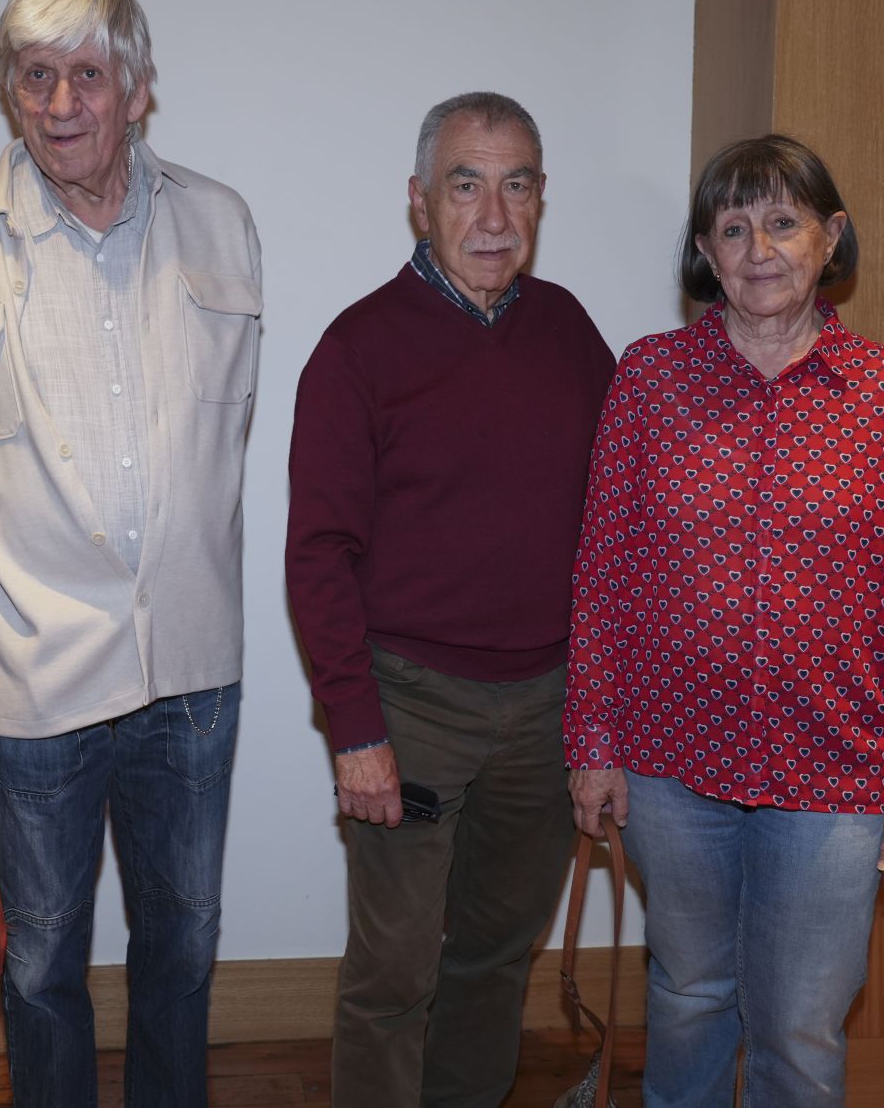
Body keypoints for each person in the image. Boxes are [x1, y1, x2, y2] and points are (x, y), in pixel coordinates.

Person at [0, 0, 261, 1108]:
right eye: (35, 75)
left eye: (88, 76)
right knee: (42, 961)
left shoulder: (222, 223)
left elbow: (228, 436)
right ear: (9, 91)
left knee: (184, 949)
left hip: (194, 667)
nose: (60, 103)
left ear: (139, 89)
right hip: (37, 674)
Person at [566, 133, 884, 1108]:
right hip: (671, 761)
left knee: (798, 1022)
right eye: (733, 227)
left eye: (783, 222)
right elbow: (603, 573)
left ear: (830, 239)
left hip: (836, 767)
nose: (758, 248)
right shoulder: (649, 378)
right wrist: (593, 739)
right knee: (691, 994)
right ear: (704, 249)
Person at [285, 92, 614, 1107]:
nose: (493, 215)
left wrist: (603, 715)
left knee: (493, 958)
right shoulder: (358, 348)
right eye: (466, 184)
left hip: (546, 707)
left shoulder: (568, 334)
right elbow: (318, 555)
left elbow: (617, 534)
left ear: (541, 198)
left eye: (517, 185)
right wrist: (355, 728)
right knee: (393, 975)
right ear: (420, 201)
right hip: (410, 703)